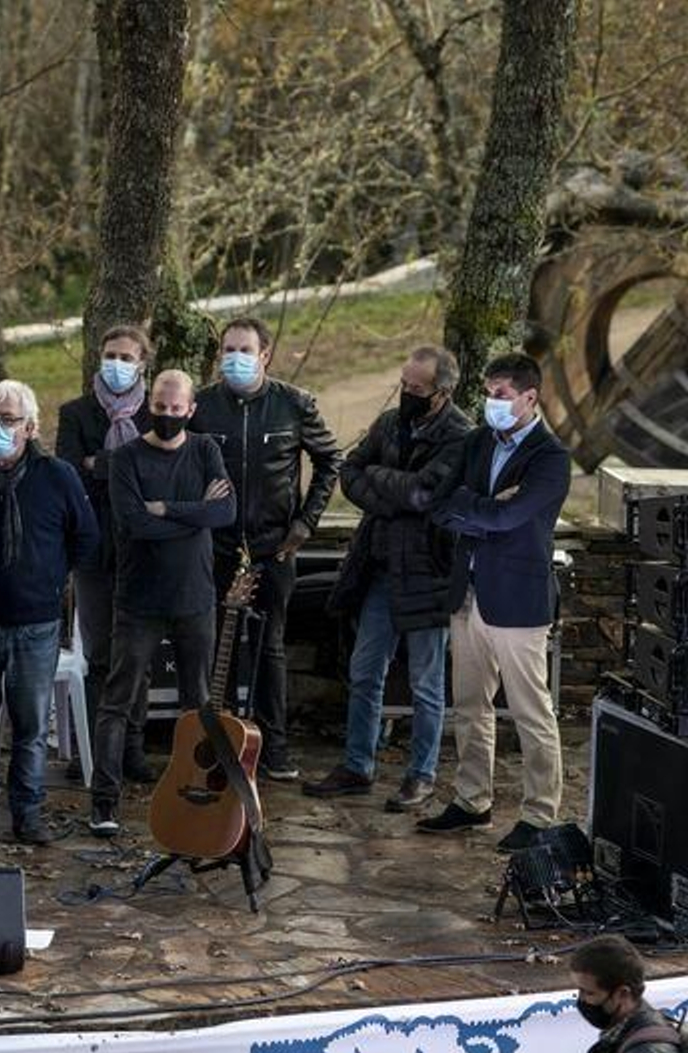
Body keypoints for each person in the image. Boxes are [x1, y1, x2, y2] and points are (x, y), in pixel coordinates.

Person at [305, 347, 471, 812]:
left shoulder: (461, 436)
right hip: (377, 568)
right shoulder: (390, 422)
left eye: (417, 390)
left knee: (425, 683)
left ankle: (421, 775)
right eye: (405, 385)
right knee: (364, 671)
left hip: (426, 573)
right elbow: (349, 471)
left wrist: (383, 482)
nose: (407, 394)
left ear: (442, 393)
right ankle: (358, 764)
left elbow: (425, 496)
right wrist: (391, 489)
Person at [419, 353, 571, 852]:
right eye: (488, 393)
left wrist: (480, 511)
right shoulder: (478, 441)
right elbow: (440, 505)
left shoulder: (551, 458)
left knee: (531, 712)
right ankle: (471, 801)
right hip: (468, 595)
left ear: (530, 397)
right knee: (468, 705)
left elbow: (513, 521)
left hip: (517, 601)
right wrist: (487, 508)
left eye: (501, 395)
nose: (491, 403)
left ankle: (539, 814)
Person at [0, 380, 99, 844]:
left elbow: (86, 538)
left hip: (36, 623)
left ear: (30, 428)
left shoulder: (58, 476)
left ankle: (27, 812)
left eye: (7, 419)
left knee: (31, 726)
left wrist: (51, 578)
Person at [189, 316, 341, 781]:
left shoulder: (294, 405)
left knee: (270, 647)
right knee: (221, 649)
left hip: (274, 546)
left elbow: (330, 460)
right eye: (227, 350)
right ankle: (223, 742)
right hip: (216, 545)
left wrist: (305, 523)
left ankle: (274, 747)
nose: (233, 358)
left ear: (265, 355)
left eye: (243, 350)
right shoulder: (203, 406)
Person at [89, 368, 233, 837]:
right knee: (118, 701)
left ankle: (198, 793)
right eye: (160, 406)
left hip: (196, 598)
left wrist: (168, 508)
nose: (167, 415)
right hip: (139, 600)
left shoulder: (206, 450)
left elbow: (224, 512)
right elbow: (134, 524)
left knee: (200, 706)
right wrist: (196, 516)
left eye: (176, 409)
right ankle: (105, 802)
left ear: (191, 410)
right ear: (148, 404)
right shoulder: (126, 458)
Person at [56, 326, 157, 781]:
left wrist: (103, 463)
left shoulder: (160, 412)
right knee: (99, 654)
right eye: (109, 354)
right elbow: (70, 473)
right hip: (94, 549)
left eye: (126, 356)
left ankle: (132, 749)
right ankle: (96, 751)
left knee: (137, 655)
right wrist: (133, 464)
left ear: (142, 364)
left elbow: (164, 472)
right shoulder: (76, 413)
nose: (116, 363)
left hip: (143, 551)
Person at [571, 934, 687, 1053]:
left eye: (589, 993)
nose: (581, 999)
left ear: (622, 993)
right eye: (579, 990)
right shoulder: (625, 1031)